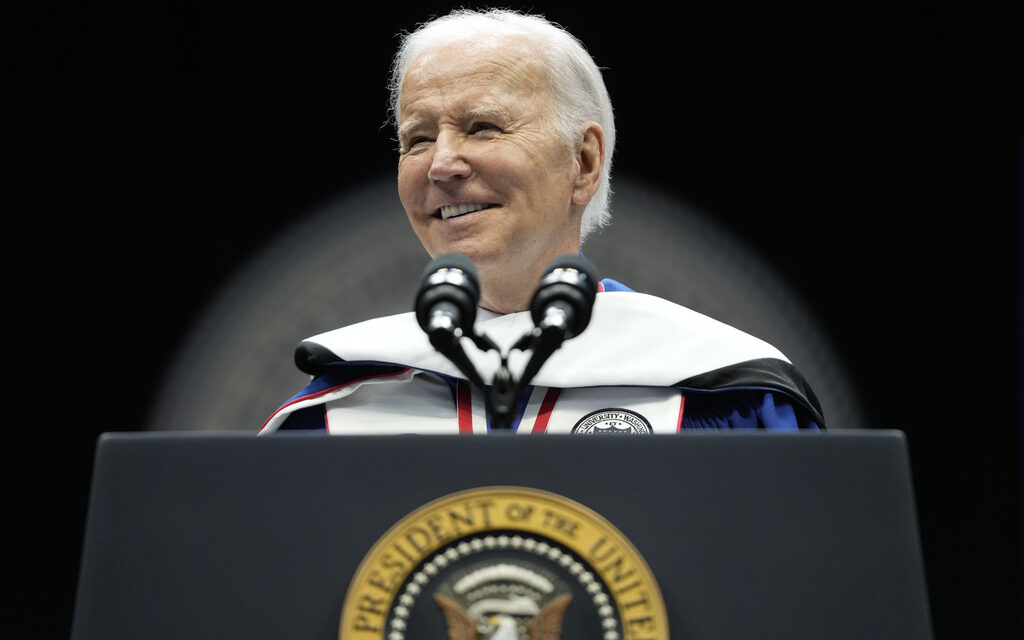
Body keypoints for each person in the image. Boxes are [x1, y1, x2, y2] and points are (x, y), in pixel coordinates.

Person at [260, 8, 824, 435]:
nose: (442, 164)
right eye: (418, 138)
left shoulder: (727, 396)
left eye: (483, 127)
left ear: (583, 163)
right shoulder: (336, 412)